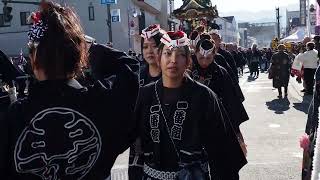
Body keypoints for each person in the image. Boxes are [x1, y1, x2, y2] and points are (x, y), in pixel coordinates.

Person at [0, 2, 139, 180]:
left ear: (33, 60)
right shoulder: (102, 104)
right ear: (78, 56)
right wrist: (89, 45)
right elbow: (131, 69)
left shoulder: (15, 118)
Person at [134, 30, 247, 180]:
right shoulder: (144, 95)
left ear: (188, 61)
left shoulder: (204, 97)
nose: (173, 60)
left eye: (180, 54)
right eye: (167, 53)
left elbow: (222, 150)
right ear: (159, 58)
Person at [191, 36, 249, 155]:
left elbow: (231, 103)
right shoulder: (187, 70)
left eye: (209, 58)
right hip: (191, 128)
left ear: (215, 54)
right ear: (195, 53)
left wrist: (238, 135)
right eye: (201, 57)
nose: (204, 62)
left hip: (217, 125)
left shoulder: (221, 73)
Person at [128, 24, 163, 179]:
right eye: (145, 46)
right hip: (139, 142)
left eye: (154, 46)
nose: (149, 51)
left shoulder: (172, 75)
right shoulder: (136, 77)